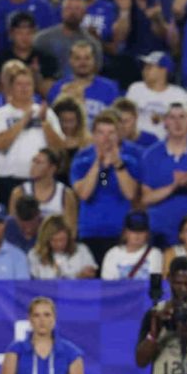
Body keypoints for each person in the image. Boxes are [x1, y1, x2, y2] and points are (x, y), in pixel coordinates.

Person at [139, 102, 187, 247]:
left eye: (182, 117)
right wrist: (174, 186)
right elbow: (146, 198)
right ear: (165, 122)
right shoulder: (151, 154)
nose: (177, 122)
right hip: (159, 234)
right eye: (172, 117)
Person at [0, 66, 66, 204]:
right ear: (11, 88)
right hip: (7, 180)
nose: (24, 88)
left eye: (28, 84)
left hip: (39, 180)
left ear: (33, 87)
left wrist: (45, 123)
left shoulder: (47, 113)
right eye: (19, 84)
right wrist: (23, 121)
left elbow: (59, 148)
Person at [71, 109, 139, 262]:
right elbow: (84, 193)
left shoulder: (129, 161)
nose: (106, 138)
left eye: (111, 133)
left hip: (120, 232)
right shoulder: (82, 159)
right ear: (94, 135)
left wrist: (117, 164)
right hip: (90, 232)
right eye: (101, 132)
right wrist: (98, 164)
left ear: (119, 135)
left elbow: (130, 193)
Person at [47, 39, 120, 126]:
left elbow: (116, 122)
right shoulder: (58, 88)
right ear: (70, 61)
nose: (83, 63)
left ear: (94, 60)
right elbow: (51, 122)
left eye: (87, 58)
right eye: (77, 58)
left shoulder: (109, 88)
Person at [11, 147, 78, 233]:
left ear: (52, 168)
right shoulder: (19, 192)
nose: (33, 165)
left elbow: (71, 229)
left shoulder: (65, 195)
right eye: (34, 161)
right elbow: (13, 227)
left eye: (39, 163)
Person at [125, 50, 187, 139]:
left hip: (166, 142)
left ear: (163, 70)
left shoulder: (179, 94)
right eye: (144, 67)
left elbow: (185, 122)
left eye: (149, 67)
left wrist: (163, 119)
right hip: (137, 141)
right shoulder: (136, 89)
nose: (144, 70)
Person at [29, 213, 98, 278]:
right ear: (46, 239)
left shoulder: (81, 250)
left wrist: (84, 275)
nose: (59, 244)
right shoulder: (35, 255)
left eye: (62, 239)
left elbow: (92, 273)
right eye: (54, 240)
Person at [101, 210, 158, 280]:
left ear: (147, 234)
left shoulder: (154, 253)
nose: (137, 235)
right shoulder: (112, 254)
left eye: (141, 231)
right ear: (125, 233)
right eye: (133, 231)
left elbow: (154, 282)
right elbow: (108, 284)